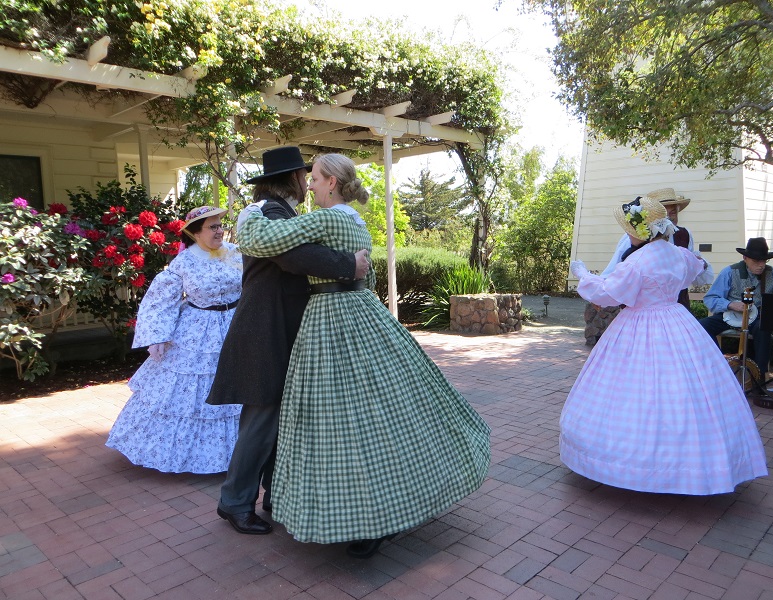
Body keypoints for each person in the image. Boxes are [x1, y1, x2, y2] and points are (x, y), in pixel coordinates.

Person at [236, 153, 491, 558]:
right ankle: (394, 504)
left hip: (331, 320)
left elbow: (258, 241)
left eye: (317, 178)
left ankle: (370, 517)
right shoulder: (355, 220)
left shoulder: (328, 217)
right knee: (380, 411)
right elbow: (366, 275)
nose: (312, 185)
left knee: (346, 422)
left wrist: (248, 215)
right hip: (364, 313)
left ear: (333, 183)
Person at [208, 146, 370, 536]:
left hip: (278, 330)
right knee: (261, 422)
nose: (308, 181)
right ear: (293, 179)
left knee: (280, 421)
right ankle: (234, 503)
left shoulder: (281, 213)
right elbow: (297, 257)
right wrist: (349, 265)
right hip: (265, 333)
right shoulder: (266, 213)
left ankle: (273, 497)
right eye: (305, 175)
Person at [564, 194, 768, 494]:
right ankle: (701, 465)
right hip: (677, 320)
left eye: (629, 230)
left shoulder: (636, 262)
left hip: (639, 323)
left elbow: (608, 294)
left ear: (639, 232)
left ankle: (638, 467)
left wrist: (583, 275)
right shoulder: (679, 254)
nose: (627, 235)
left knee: (634, 393)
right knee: (688, 390)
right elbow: (700, 267)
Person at [106, 206, 243, 474]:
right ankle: (198, 458)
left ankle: (242, 455)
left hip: (235, 326)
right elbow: (161, 300)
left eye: (220, 225)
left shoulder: (234, 252)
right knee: (191, 394)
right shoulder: (185, 261)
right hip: (197, 333)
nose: (220, 230)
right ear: (195, 232)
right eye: (212, 227)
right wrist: (157, 336)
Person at [699, 237, 773, 381]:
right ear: (745, 258)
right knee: (702, 326)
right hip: (730, 316)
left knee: (764, 328)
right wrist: (730, 304)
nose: (761, 265)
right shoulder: (729, 272)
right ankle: (719, 366)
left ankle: (759, 377)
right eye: (756, 261)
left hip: (756, 318)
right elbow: (711, 298)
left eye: (764, 261)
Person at [601, 187, 715, 308]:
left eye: (673, 212)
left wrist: (701, 264)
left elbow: (695, 272)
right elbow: (613, 269)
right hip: (642, 311)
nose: (670, 218)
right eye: (665, 213)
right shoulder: (635, 236)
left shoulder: (684, 234)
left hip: (677, 310)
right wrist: (601, 294)